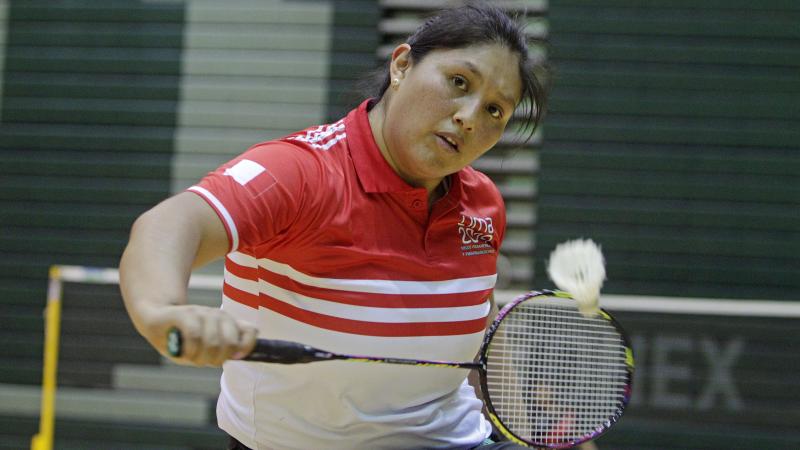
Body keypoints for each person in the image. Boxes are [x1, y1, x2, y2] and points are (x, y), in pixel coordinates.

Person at [120, 2, 554, 449]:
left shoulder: (482, 206)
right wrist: (163, 312)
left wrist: (525, 433)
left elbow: (474, 330)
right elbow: (170, 224)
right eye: (458, 82)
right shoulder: (302, 172)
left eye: (495, 111)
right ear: (402, 65)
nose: (470, 117)